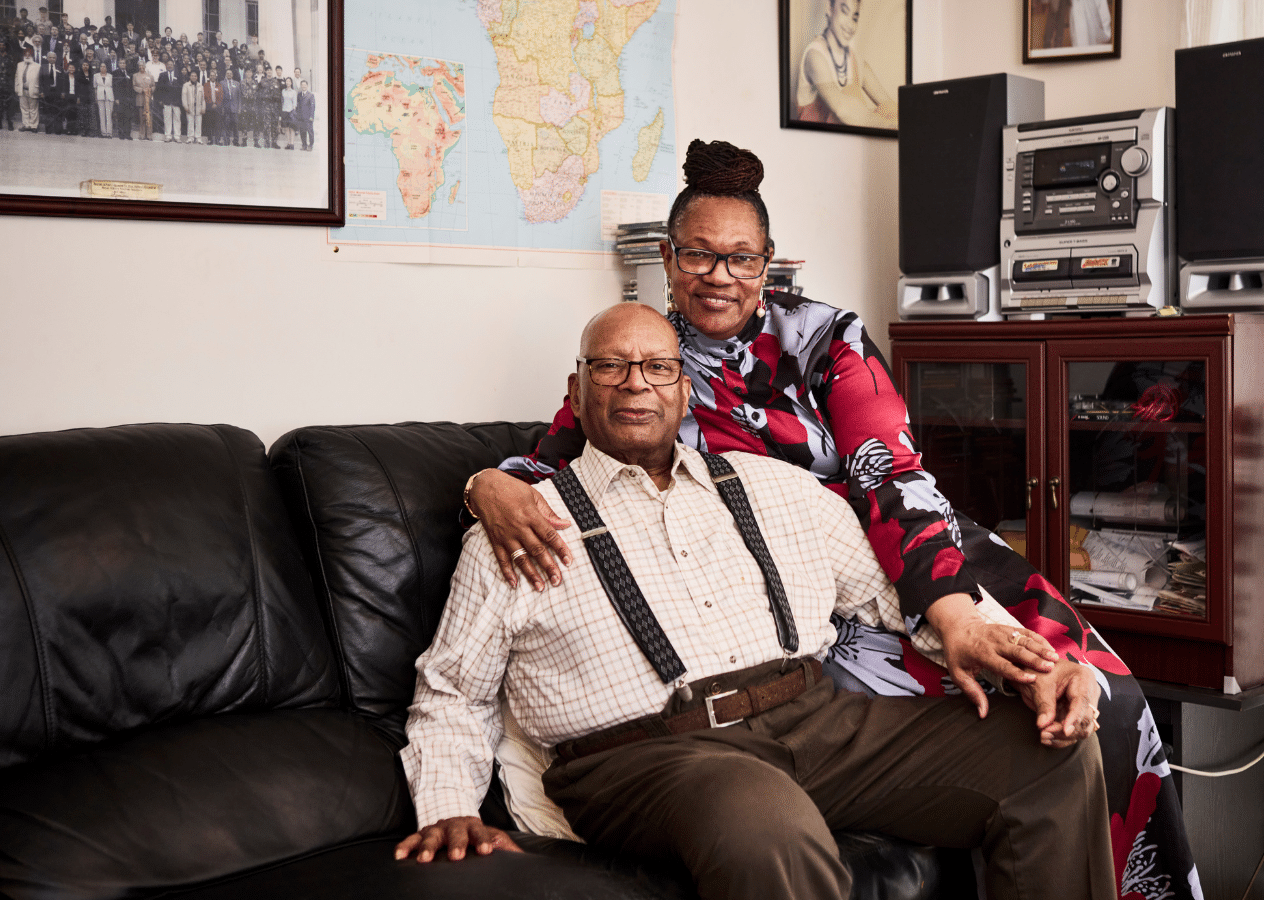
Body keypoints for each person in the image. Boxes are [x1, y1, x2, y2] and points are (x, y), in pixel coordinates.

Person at [466, 139, 1199, 896]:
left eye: (741, 257)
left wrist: (952, 612)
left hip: (909, 549)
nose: (719, 275)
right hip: (808, 593)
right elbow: (550, 464)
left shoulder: (822, 337)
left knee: (1102, 700)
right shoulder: (644, 360)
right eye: (698, 255)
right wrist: (483, 484)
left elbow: (891, 473)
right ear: (667, 257)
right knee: (1000, 715)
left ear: (769, 262)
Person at [395, 302, 1115, 900]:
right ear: (577, 391)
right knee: (758, 812)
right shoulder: (520, 525)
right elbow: (453, 690)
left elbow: (898, 594)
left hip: (815, 722)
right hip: (646, 756)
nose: (634, 384)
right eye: (609, 366)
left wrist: (1027, 660)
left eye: (657, 367)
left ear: (683, 391)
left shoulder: (775, 488)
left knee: (1048, 753)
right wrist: (449, 806)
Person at [793, 0, 896, 128]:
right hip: (813, 143)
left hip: (848, 142)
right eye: (844, 12)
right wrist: (890, 125)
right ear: (829, 9)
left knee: (891, 111)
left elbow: (887, 103)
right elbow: (842, 109)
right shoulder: (814, 55)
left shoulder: (855, 61)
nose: (850, 25)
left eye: (854, 18)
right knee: (850, 93)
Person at [155, 57, 180, 141]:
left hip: (176, 101)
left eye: (171, 64)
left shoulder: (178, 75)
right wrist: (160, 100)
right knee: (167, 119)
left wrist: (180, 100)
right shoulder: (162, 75)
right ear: (166, 65)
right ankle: (168, 136)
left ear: (173, 66)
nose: (170, 66)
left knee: (177, 119)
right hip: (166, 101)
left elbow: (180, 88)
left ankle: (177, 136)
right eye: (168, 64)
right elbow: (159, 88)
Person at [14, 43, 37, 131]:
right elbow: (16, 77)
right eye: (26, 55)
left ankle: (34, 126)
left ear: (32, 56)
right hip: (22, 90)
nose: (27, 56)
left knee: (33, 109)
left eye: (29, 55)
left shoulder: (37, 66)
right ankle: (26, 125)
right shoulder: (19, 65)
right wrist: (16, 88)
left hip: (33, 90)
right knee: (24, 109)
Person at [130, 57, 151, 139]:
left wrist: (149, 90)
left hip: (148, 98)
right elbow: (134, 86)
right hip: (140, 98)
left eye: (142, 65)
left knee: (149, 117)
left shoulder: (149, 75)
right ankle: (142, 134)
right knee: (141, 117)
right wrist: (142, 90)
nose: (141, 67)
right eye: (140, 66)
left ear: (145, 66)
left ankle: (149, 134)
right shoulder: (135, 76)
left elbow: (153, 85)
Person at [180, 66, 203, 143]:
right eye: (192, 76)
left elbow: (203, 98)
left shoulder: (200, 86)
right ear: (190, 77)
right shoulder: (186, 85)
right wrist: (186, 107)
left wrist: (203, 107)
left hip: (198, 107)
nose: (194, 77)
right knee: (190, 122)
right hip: (190, 107)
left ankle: (198, 138)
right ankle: (190, 137)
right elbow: (184, 97)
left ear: (197, 77)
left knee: (198, 123)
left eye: (195, 76)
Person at [293, 78, 314, 151]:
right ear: (301, 86)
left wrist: (311, 116)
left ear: (307, 86)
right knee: (302, 132)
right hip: (300, 117)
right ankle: (304, 145)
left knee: (310, 132)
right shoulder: (299, 95)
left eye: (305, 85)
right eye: (302, 85)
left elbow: (312, 106)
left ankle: (310, 145)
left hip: (308, 117)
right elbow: (298, 105)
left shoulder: (311, 95)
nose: (303, 86)